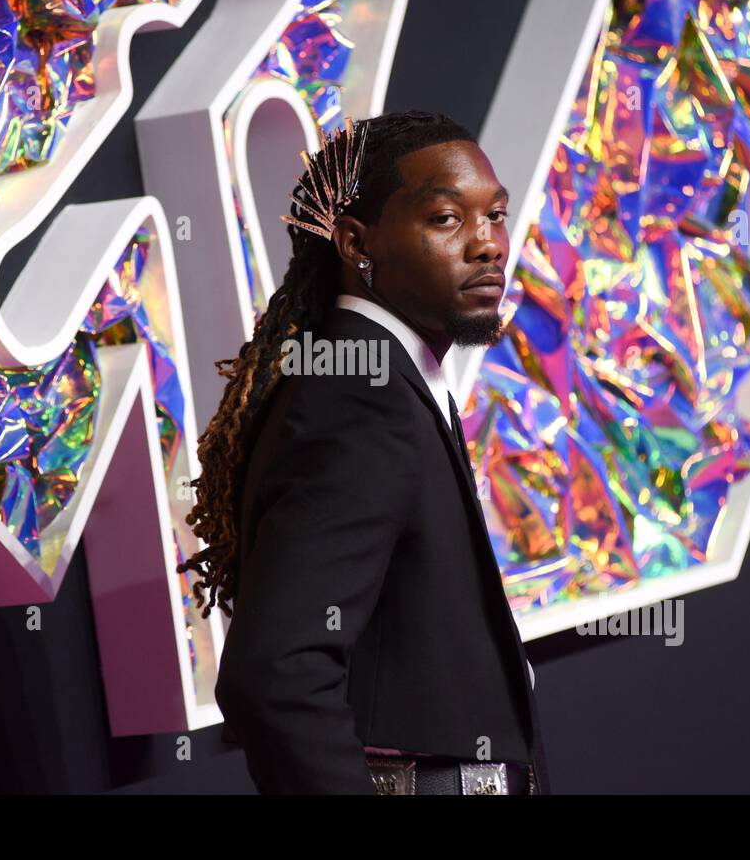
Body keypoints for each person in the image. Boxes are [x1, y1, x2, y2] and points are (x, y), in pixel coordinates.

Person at [179, 109, 550, 795]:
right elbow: (275, 672)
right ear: (356, 242)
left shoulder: (382, 375)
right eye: (446, 218)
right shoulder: (360, 394)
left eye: (494, 215)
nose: (488, 244)